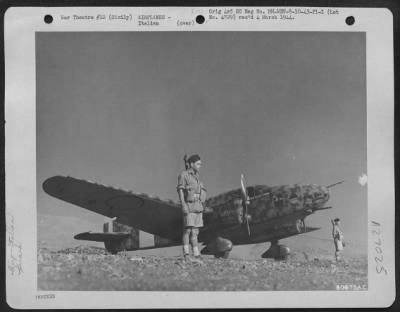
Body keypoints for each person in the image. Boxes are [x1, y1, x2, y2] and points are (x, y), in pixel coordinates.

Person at [177, 154, 207, 261]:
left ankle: (196, 254)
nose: (200, 165)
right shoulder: (184, 175)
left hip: (198, 207)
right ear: (191, 164)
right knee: (187, 231)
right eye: (198, 164)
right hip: (189, 205)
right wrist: (183, 205)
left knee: (195, 232)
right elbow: (180, 190)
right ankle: (186, 254)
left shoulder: (197, 177)